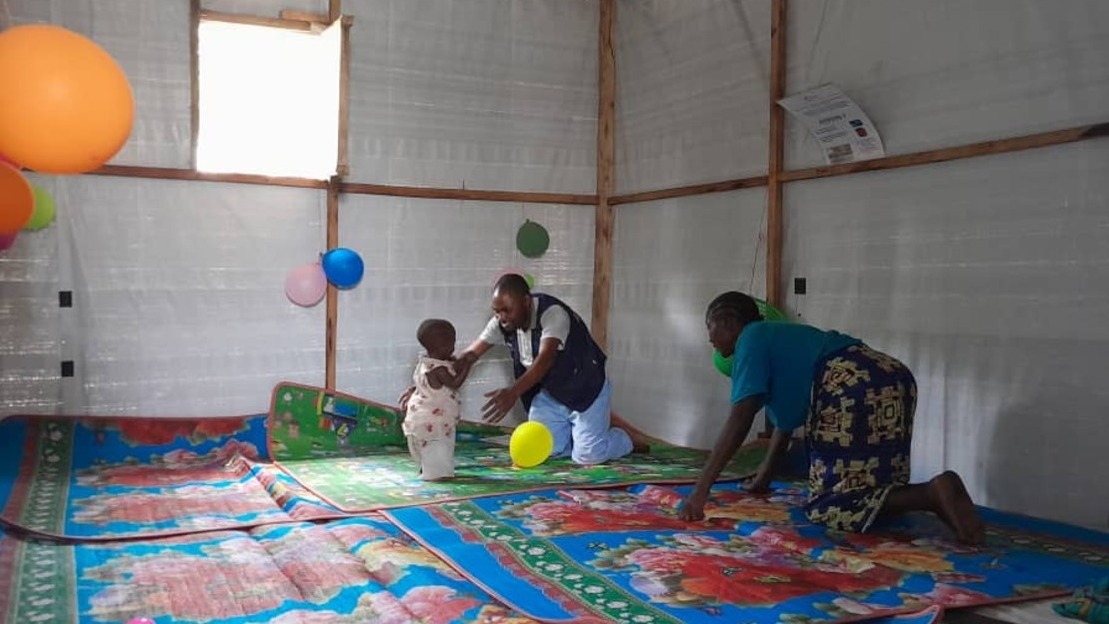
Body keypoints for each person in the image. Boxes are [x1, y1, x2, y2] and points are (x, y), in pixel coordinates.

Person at [678, 291, 985, 544]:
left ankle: (931, 493)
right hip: (889, 375)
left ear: (730, 322)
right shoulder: (779, 337)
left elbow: (740, 418)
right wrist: (762, 480)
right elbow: (784, 427)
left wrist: (699, 491)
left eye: (710, 329)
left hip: (847, 386)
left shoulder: (751, 340)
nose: (710, 341)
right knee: (878, 484)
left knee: (831, 504)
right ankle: (942, 502)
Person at [453, 273, 647, 465]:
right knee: (546, 450)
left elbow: (545, 360)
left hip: (586, 390)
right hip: (551, 394)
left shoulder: (553, 314)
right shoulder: (502, 323)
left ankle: (624, 439)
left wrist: (512, 393)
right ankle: (583, 434)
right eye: (497, 311)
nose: (501, 318)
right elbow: (472, 352)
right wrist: (454, 365)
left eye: (506, 310)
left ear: (526, 302)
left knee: (588, 457)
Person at [399, 319, 469, 481]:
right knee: (439, 448)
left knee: (429, 449)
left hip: (420, 418)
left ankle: (427, 467)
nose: (454, 346)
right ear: (444, 346)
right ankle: (437, 475)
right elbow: (455, 383)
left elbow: (422, 383)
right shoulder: (440, 370)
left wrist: (412, 389)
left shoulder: (425, 363)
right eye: (452, 342)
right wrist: (467, 365)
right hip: (434, 421)